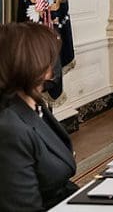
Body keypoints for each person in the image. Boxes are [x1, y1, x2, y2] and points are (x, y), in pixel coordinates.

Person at [0, 22, 78, 211]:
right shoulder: (9, 128)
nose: (54, 66)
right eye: (50, 59)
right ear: (34, 64)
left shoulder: (34, 104)